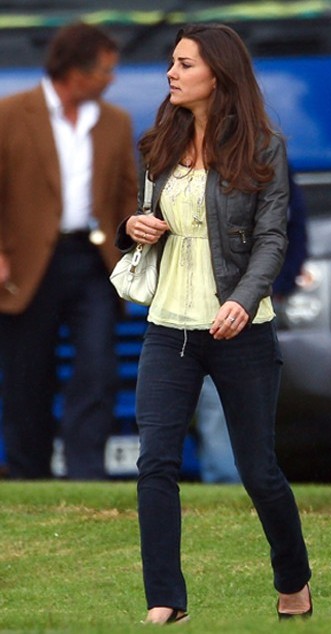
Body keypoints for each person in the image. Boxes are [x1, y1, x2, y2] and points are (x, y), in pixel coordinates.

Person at [116, 23, 312, 624]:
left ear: (218, 74)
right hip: (168, 325)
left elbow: (273, 238)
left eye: (184, 64)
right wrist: (134, 227)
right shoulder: (159, 142)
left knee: (258, 471)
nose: (171, 73)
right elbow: (150, 218)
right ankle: (165, 600)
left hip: (240, 328)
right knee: (156, 463)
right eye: (172, 63)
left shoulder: (264, 148)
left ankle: (294, 580)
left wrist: (244, 301)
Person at [0, 22, 138, 480]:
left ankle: (87, 475)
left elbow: (126, 193)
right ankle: (28, 475)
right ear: (75, 72)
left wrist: (131, 250)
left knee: (98, 367)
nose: (111, 80)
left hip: (93, 262)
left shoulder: (115, 121)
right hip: (27, 264)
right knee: (27, 376)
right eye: (105, 71)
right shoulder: (11, 113)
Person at [195, 167, 308, 484]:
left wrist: (279, 286)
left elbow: (292, 230)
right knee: (222, 393)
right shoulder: (258, 162)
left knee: (242, 395)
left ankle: (239, 479)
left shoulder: (265, 163)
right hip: (219, 297)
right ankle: (230, 480)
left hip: (257, 300)